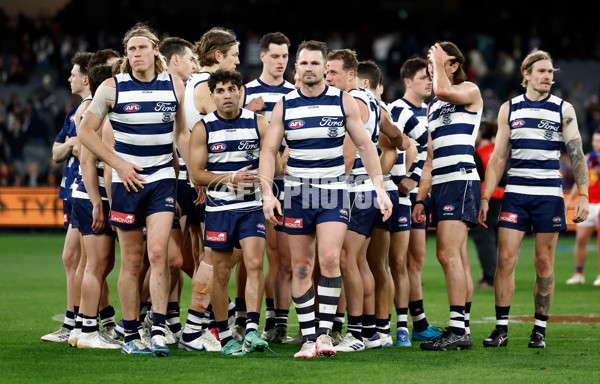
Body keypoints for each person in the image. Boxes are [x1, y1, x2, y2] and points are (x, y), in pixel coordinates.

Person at [258, 40, 393, 359]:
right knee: (302, 267)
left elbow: (365, 145)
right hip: (296, 193)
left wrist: (380, 188)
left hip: (334, 192)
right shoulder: (285, 105)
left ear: (323, 68)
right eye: (303, 63)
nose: (309, 68)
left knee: (331, 259)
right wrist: (266, 193)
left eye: (315, 64)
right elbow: (268, 151)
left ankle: (325, 335)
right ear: (297, 68)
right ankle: (308, 338)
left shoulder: (343, 102)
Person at [78, 23, 191, 356]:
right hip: (127, 182)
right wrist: (119, 164)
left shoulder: (175, 85)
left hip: (161, 181)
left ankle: (157, 327)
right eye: (131, 49)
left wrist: (194, 173)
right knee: (131, 261)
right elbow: (87, 132)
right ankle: (129, 334)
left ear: (156, 51)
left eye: (142, 47)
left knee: (159, 254)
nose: (136, 54)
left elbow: (181, 134)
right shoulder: (112, 88)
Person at [480, 49, 589, 349]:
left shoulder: (563, 109)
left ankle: (539, 330)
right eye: (542, 71)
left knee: (544, 262)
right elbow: (499, 157)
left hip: (548, 196)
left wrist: (583, 194)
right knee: (505, 260)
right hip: (515, 195)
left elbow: (577, 153)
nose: (548, 77)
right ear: (526, 74)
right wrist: (486, 195)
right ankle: (501, 329)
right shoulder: (509, 109)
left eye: (551, 72)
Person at [324, 49, 408, 352]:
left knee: (349, 261)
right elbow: (397, 137)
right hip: (371, 191)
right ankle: (372, 331)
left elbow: (348, 152)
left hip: (354, 192)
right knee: (361, 263)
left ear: (351, 75)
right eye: (326, 72)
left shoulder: (354, 101)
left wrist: (335, 189)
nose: (327, 77)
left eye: (333, 72)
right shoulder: (373, 100)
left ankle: (357, 334)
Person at [187, 69, 273, 356]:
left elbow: (275, 161)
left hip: (251, 208)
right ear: (212, 95)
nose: (226, 95)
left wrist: (262, 180)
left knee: (255, 265)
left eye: (231, 89)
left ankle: (251, 330)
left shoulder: (259, 123)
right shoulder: (203, 128)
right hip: (220, 209)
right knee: (221, 273)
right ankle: (225, 337)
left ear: (240, 92)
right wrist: (229, 178)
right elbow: (196, 174)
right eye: (220, 90)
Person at [412, 42, 482, 351]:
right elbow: (429, 157)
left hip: (460, 178)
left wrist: (438, 62)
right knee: (459, 256)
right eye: (429, 62)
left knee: (447, 254)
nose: (431, 67)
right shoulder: (433, 106)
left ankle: (457, 331)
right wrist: (420, 198)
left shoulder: (469, 90)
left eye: (438, 61)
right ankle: (461, 328)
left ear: (454, 65)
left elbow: (441, 90)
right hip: (440, 182)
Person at [178, 27, 240, 353]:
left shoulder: (192, 84)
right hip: (213, 183)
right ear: (219, 56)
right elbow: (219, 128)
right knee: (220, 257)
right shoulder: (205, 88)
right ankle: (199, 325)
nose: (239, 61)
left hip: (202, 180)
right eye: (234, 54)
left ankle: (209, 322)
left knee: (212, 256)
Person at [242, 32, 295, 343]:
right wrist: (249, 110)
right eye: (274, 56)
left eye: (284, 56)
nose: (280, 62)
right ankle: (241, 320)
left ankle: (278, 323)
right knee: (249, 258)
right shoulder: (247, 93)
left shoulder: (295, 93)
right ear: (262, 56)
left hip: (288, 182)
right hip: (254, 183)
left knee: (283, 258)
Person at [388, 57, 442, 343]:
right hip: (402, 195)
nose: (430, 82)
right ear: (407, 81)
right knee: (399, 261)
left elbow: (429, 149)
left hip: (421, 194)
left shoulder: (431, 111)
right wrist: (411, 176)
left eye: (431, 77)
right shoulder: (398, 109)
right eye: (424, 77)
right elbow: (417, 148)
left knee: (416, 260)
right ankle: (400, 325)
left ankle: (418, 323)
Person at [41, 52, 91, 343]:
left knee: (81, 258)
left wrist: (73, 145)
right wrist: (71, 143)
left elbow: (76, 149)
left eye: (73, 74)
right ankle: (79, 321)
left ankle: (82, 322)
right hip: (71, 190)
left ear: (86, 78)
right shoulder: (73, 113)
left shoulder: (91, 110)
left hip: (86, 190)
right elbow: (56, 153)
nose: (68, 78)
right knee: (76, 259)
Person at [73, 63, 121, 349]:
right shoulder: (99, 117)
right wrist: (98, 204)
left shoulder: (100, 115)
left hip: (93, 197)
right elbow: (87, 162)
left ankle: (81, 328)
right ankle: (88, 329)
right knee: (97, 264)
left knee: (99, 264)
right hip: (95, 197)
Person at [470, 120, 504, 290]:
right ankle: (499, 275)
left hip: (485, 198)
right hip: (504, 198)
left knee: (485, 239)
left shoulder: (479, 154)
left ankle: (490, 278)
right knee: (498, 240)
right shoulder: (502, 153)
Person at [565, 127, 600, 287]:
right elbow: (580, 181)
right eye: (594, 140)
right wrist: (571, 199)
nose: (596, 144)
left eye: (598, 141)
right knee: (580, 239)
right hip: (587, 202)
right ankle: (579, 273)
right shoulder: (588, 158)